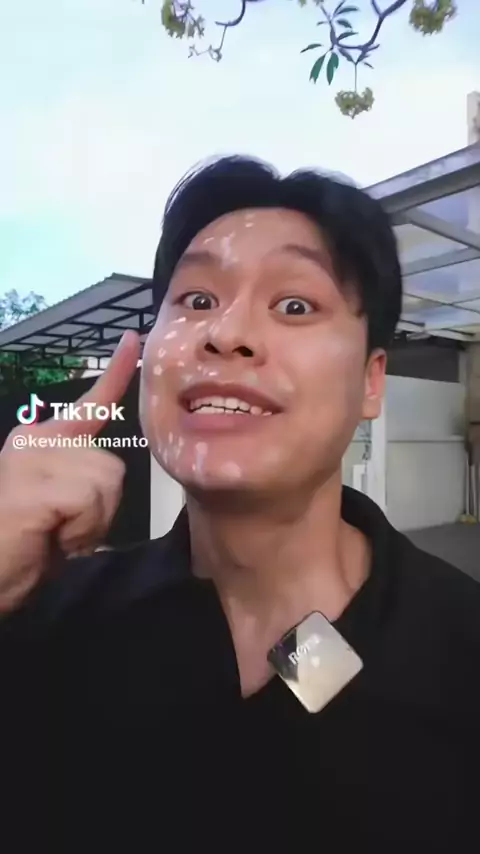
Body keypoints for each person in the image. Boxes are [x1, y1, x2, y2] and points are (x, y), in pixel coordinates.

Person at [0, 155, 479, 853]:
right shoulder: (43, 622)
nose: (226, 333)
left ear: (372, 380)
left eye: (295, 305)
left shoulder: (460, 649)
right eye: (197, 300)